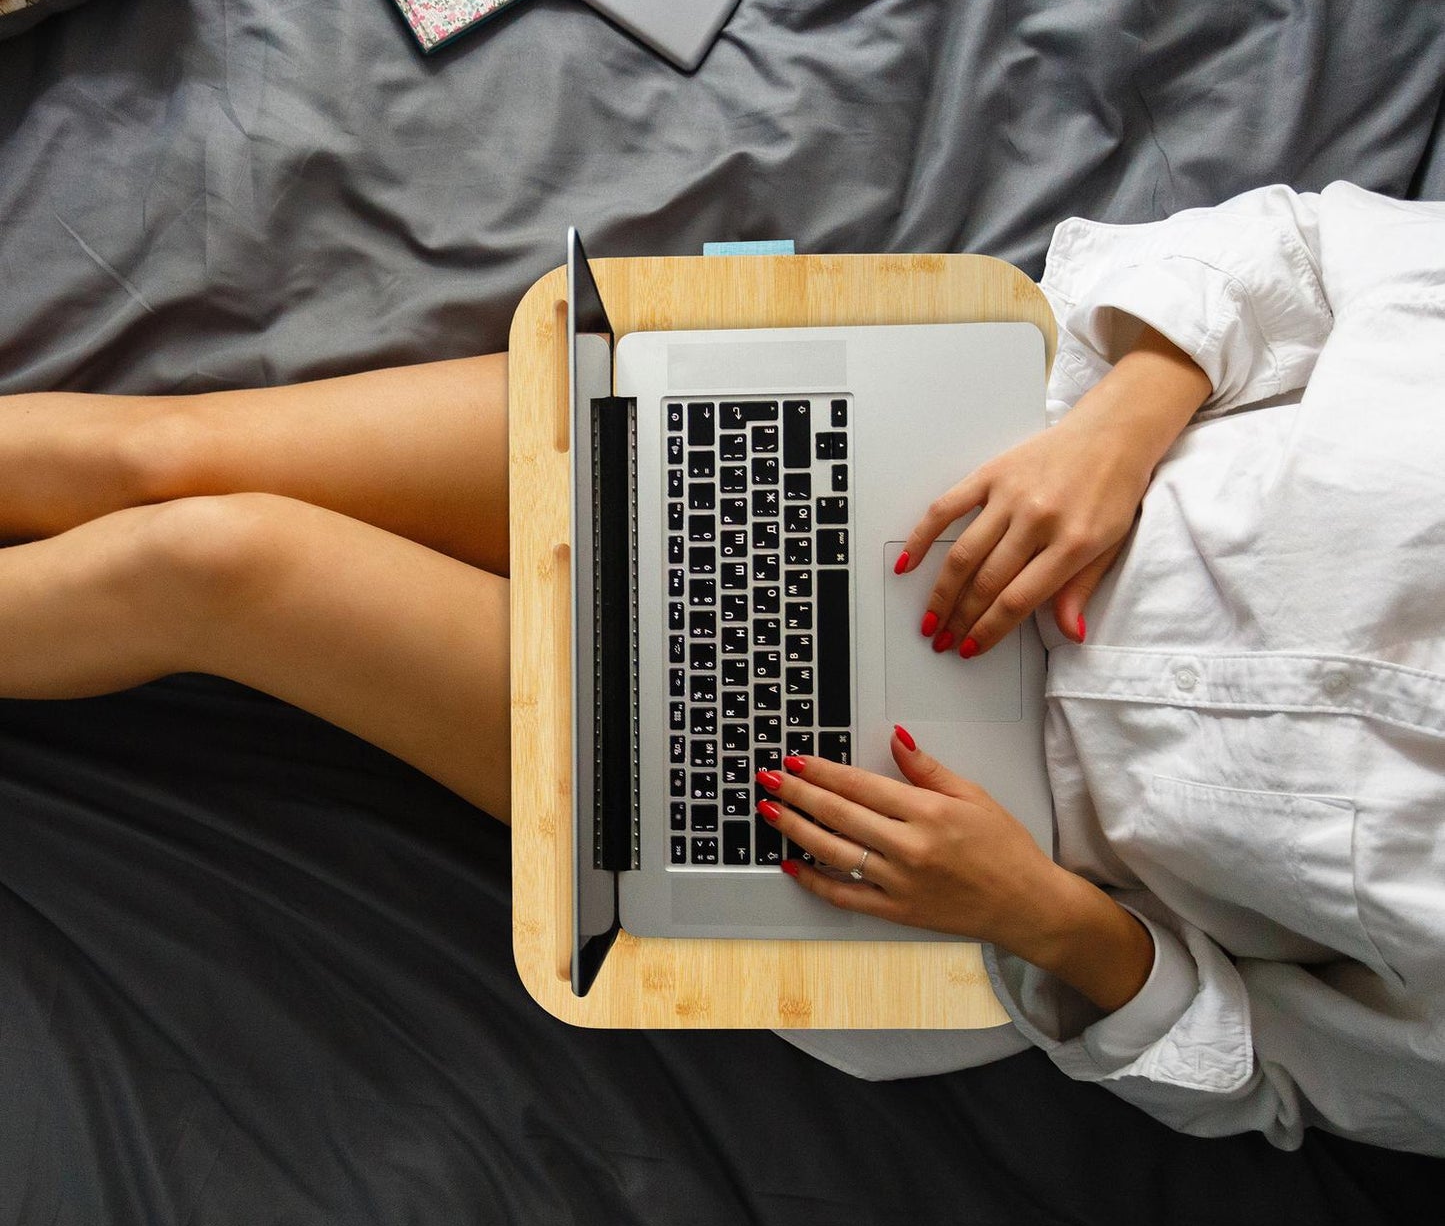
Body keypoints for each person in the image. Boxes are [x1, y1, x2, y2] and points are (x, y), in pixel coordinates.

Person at [2, 181, 1440, 1153]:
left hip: (871, 809)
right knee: (164, 455)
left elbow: (1265, 1074)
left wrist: (1044, 917)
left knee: (216, 565)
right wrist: (1129, 412)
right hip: (913, 463)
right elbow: (1315, 246)